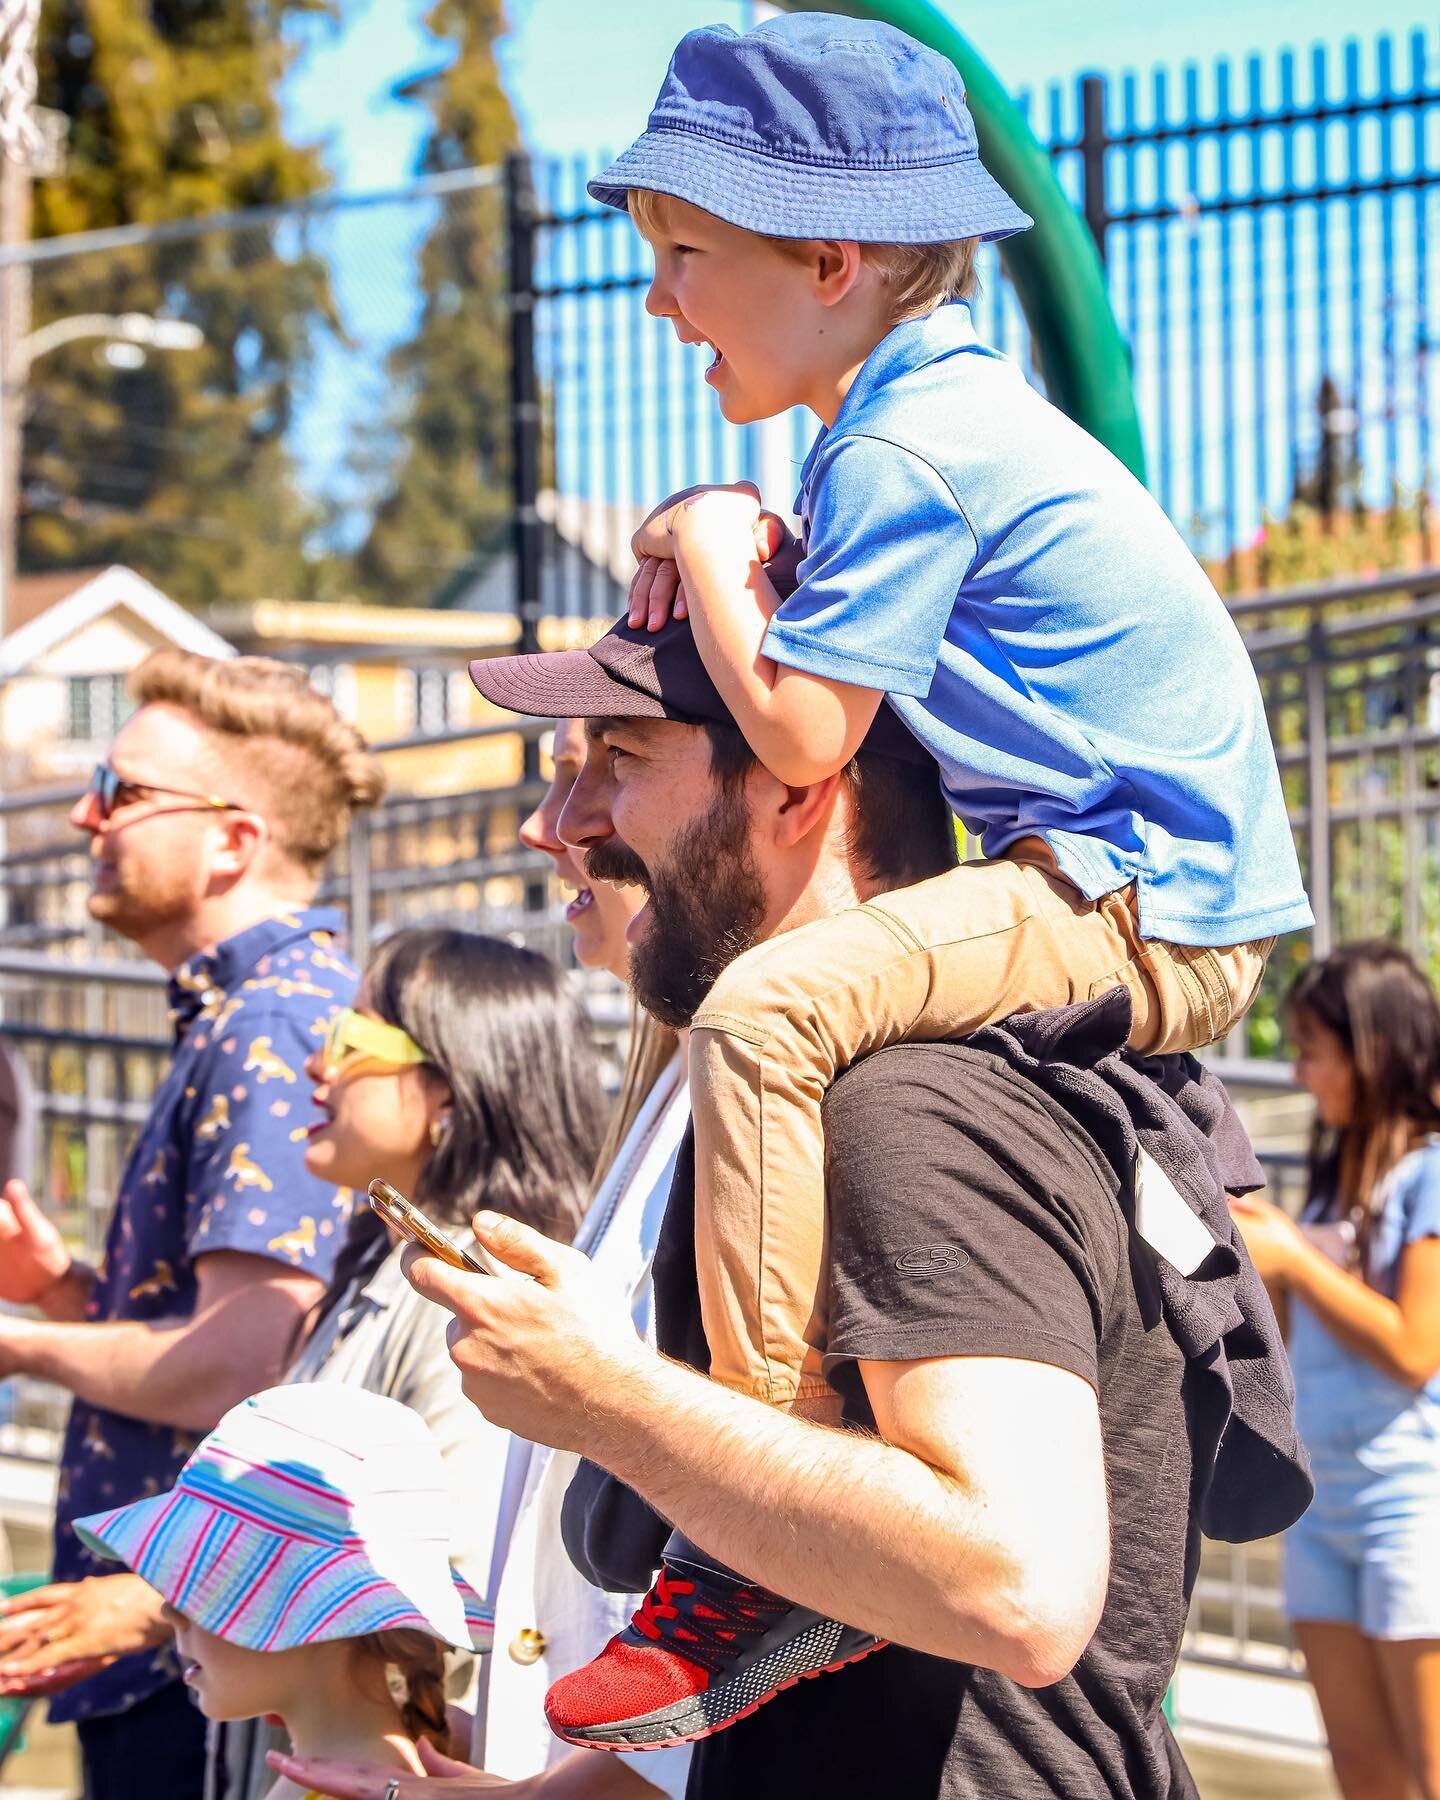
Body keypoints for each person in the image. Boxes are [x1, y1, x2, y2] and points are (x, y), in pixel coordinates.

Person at [544, 10, 1315, 1717]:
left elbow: (806, 738)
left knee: (758, 1018)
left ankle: (750, 1520)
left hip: (1133, 893)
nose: (660, 300)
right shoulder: (936, 417)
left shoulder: (900, 443)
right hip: (1125, 882)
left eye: (685, 255)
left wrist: (703, 530)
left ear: (831, 259)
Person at [279, 614, 1307, 1799]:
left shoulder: (909, 1101)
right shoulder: (813, 1094)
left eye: (621, 757)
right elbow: (823, 1659)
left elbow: (1015, 1587)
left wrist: (606, 1398)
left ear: (795, 793)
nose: (564, 824)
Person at [0, 927, 608, 1800]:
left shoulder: (478, 1299)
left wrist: (159, 1605)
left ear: (448, 1087)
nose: (317, 1069)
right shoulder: (388, 1264)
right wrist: (66, 1293)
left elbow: (444, 1566)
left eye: (352, 1041)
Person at [0, 649, 383, 1798]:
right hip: (188, 1645)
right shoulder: (248, 1018)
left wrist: (13, 1343)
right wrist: (68, 1292)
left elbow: (243, 1356)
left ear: (233, 837)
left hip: (201, 1668)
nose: (84, 816)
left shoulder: (267, 1030)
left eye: (121, 793)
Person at [1230, 943, 1440, 1800]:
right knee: (1359, 1771)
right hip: (1324, 1507)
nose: (1302, 1073)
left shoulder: (1429, 1173)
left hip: (1410, 1504)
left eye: (1315, 1049)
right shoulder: (1327, 1183)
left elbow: (1414, 1347)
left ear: (1375, 1048)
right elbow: (1295, 1343)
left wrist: (1298, 1262)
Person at [73, 1384, 494, 1800]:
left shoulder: (348, 1787)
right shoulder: (343, 1775)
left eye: (215, 1583)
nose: (171, 1613)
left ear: (322, 1617)